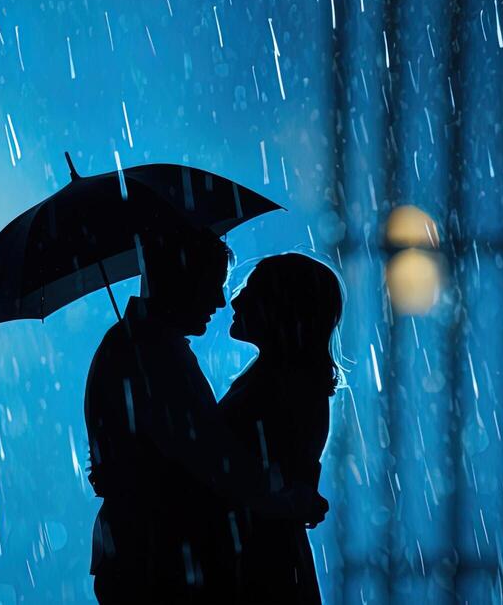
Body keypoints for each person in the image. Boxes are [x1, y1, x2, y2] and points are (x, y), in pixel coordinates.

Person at [84, 226, 326, 603]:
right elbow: (216, 462)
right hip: (157, 566)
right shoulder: (154, 357)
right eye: (211, 284)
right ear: (180, 280)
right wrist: (291, 500)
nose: (221, 300)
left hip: (154, 562)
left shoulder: (147, 349)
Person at [217, 253, 344, 605]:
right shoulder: (287, 385)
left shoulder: (279, 389)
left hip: (258, 568)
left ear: (282, 309)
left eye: (253, 291)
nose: (237, 297)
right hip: (269, 564)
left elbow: (242, 480)